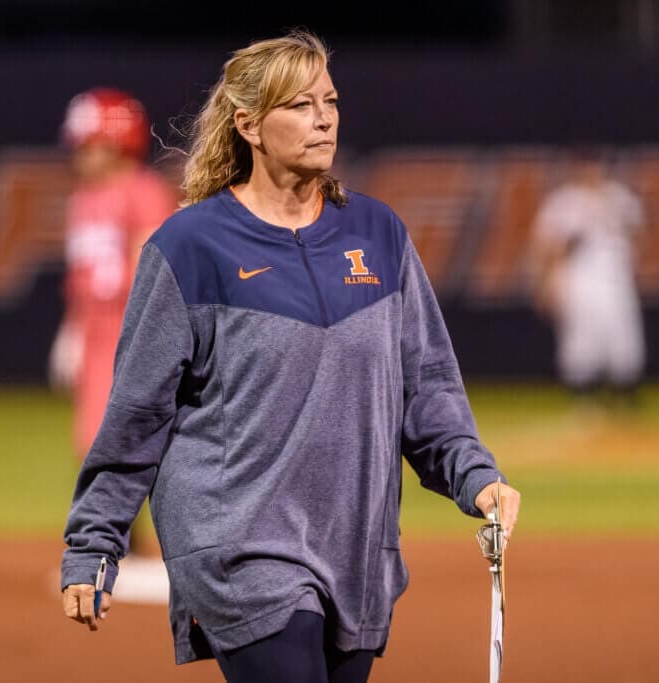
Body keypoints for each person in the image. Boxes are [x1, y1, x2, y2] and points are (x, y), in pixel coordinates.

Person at [59, 30, 521, 682]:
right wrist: (94, 542)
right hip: (238, 544)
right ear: (248, 123)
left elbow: (426, 383)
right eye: (300, 105)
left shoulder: (378, 234)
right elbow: (139, 408)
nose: (324, 117)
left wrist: (474, 475)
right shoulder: (191, 246)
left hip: (357, 545)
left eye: (329, 100)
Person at [50, 87, 177, 601]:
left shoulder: (143, 191)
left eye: (90, 143)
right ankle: (130, 546)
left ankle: (166, 550)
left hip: (134, 329)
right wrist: (73, 329)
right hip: (97, 330)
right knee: (94, 443)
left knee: (140, 442)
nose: (81, 154)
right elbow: (82, 276)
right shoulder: (81, 200)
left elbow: (153, 270)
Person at [530, 147, 646, 405]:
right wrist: (545, 283)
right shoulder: (564, 202)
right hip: (580, 279)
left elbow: (639, 238)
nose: (592, 170)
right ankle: (584, 400)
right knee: (581, 340)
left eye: (596, 164)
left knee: (623, 339)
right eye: (586, 165)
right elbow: (546, 247)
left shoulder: (620, 198)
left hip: (616, 278)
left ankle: (625, 399)